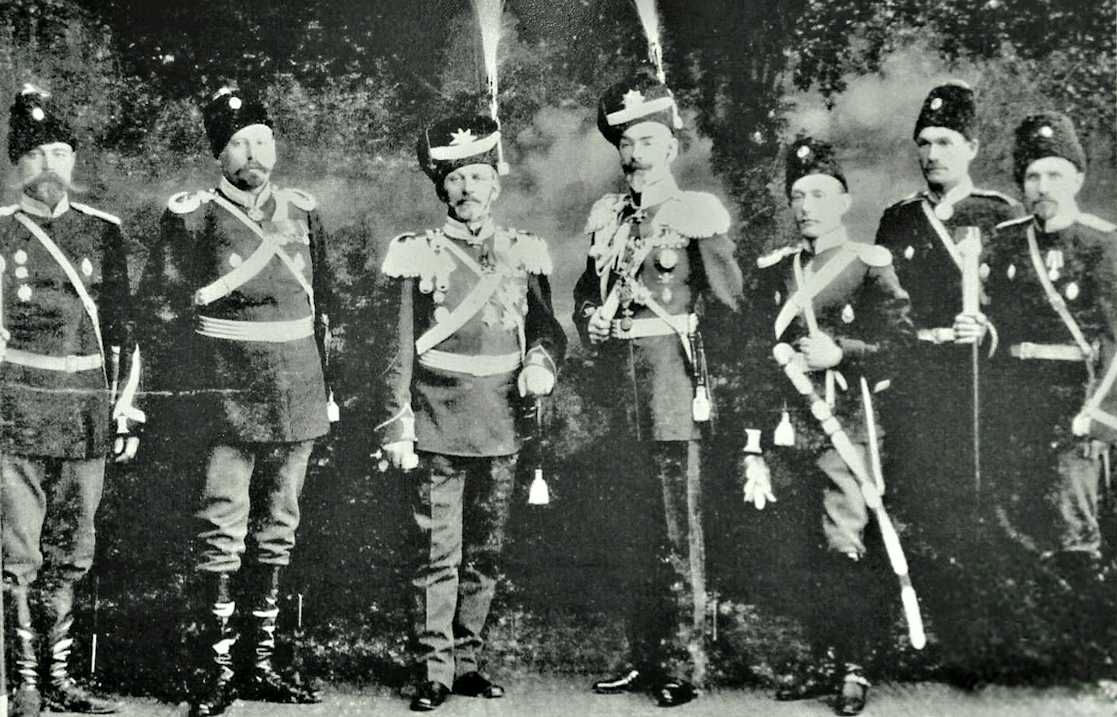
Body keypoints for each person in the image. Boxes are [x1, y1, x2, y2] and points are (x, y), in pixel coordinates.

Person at [140, 86, 333, 716]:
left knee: (279, 526)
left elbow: (326, 308)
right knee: (221, 525)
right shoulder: (192, 217)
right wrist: (183, 396)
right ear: (219, 155)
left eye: (262, 140)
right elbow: (161, 313)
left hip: (298, 388)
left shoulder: (303, 211)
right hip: (223, 392)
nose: (253, 152)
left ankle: (262, 663)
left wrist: (329, 388)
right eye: (239, 143)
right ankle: (217, 668)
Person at [377, 113, 564, 712]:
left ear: (495, 184)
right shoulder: (415, 253)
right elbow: (397, 346)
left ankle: (467, 662)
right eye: (455, 179)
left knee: (485, 551)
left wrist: (539, 363)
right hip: (437, 418)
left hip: (503, 420)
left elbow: (547, 329)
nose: (467, 189)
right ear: (442, 188)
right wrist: (397, 422)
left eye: (478, 177)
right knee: (438, 553)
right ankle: (433, 668)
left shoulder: (523, 251)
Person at [0, 85, 142, 717]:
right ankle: (26, 683)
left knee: (73, 553)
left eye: (60, 152)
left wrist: (126, 409)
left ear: (73, 162)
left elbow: (125, 331)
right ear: (18, 164)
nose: (49, 164)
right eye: (37, 154)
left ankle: (62, 678)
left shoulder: (103, 233)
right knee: (19, 554)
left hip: (84, 412)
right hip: (16, 411)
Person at [572, 72, 743, 708]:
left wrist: (714, 390)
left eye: (647, 141)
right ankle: (643, 657)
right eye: (626, 143)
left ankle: (684, 663)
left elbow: (729, 307)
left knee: (679, 533)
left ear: (670, 147)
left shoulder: (695, 214)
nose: (635, 154)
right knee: (631, 531)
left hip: (673, 390)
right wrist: (588, 319)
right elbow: (586, 292)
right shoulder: (608, 217)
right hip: (619, 396)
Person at [743, 138, 913, 715]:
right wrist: (754, 442)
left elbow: (901, 346)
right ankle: (821, 659)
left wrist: (841, 351)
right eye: (798, 195)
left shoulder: (868, 265)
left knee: (844, 544)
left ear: (843, 202)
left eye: (819, 194)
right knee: (802, 546)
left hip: (847, 425)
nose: (806, 206)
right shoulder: (776, 270)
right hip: (790, 427)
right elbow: (756, 360)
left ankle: (853, 667)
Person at [872, 81, 1021, 682]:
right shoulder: (898, 220)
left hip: (981, 384)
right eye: (925, 143)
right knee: (921, 505)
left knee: (979, 506)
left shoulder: (999, 215)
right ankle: (924, 638)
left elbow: (1023, 307)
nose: (932, 154)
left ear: (973, 147)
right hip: (916, 383)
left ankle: (977, 644)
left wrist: (987, 327)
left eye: (947, 142)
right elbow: (880, 307)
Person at [968, 111, 1117, 591]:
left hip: (1075, 403)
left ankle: (1085, 628)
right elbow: (996, 325)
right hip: (1014, 399)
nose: (1043, 186)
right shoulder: (1007, 242)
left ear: (1078, 178)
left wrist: (1100, 419)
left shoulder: (1102, 243)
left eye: (1054, 174)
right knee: (1016, 521)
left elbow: (1115, 339)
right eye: (1033, 176)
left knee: (1074, 527)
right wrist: (980, 328)